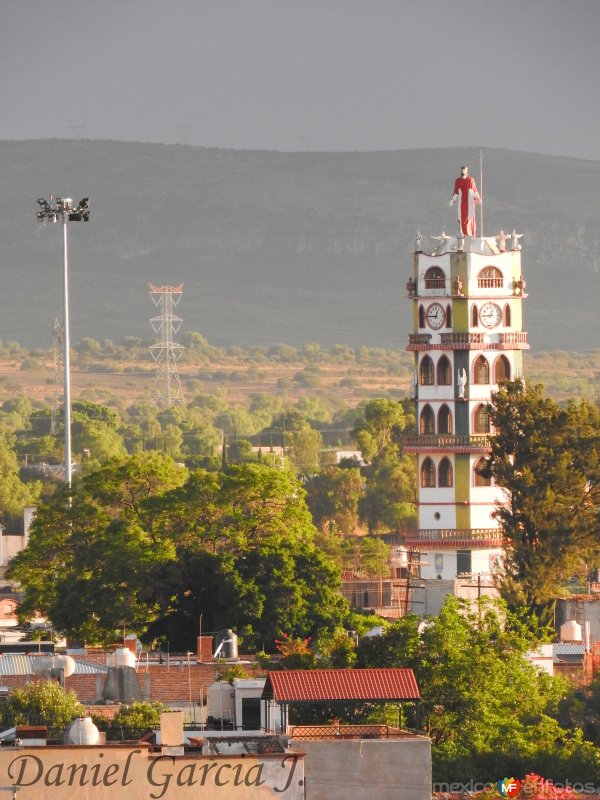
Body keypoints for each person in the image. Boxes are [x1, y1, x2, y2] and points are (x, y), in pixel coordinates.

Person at [449, 166, 480, 237]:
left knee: (470, 217)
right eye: (462, 170)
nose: (463, 171)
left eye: (464, 170)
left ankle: (469, 233)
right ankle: (463, 233)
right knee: (461, 218)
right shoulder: (458, 181)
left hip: (470, 203)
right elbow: (456, 192)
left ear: (467, 171)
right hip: (462, 203)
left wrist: (478, 198)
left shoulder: (470, 180)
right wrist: (453, 200)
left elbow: (474, 190)